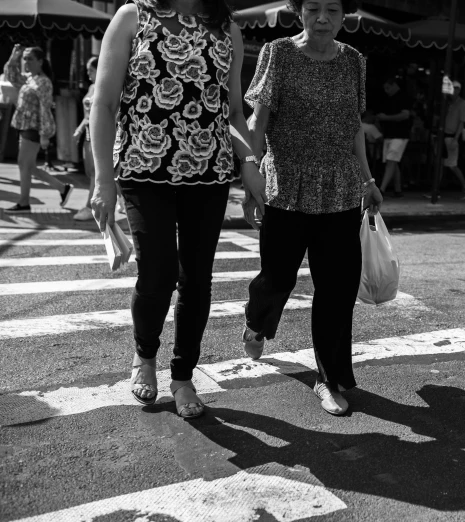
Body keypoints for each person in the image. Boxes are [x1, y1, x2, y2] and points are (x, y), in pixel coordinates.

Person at [89, 0, 263, 419]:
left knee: (197, 279)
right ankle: (144, 356)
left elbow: (234, 110)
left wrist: (251, 167)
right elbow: (105, 103)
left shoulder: (228, 30)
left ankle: (183, 374)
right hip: (143, 170)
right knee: (158, 272)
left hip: (211, 173)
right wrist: (102, 180)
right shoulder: (133, 16)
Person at [242, 0, 382, 416]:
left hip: (339, 190)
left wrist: (367, 180)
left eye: (332, 10)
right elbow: (257, 122)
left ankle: (329, 378)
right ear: (299, 11)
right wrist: (251, 184)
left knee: (337, 289)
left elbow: (353, 126)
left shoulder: (353, 61)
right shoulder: (278, 53)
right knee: (276, 279)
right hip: (286, 186)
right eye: (314, 9)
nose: (323, 19)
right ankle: (256, 322)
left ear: (345, 16)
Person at [3, 45, 73, 213]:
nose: (26, 62)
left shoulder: (43, 82)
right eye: (25, 59)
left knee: (24, 164)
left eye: (30, 59)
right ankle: (62, 189)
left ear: (40, 62)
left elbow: (45, 108)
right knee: (29, 166)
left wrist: (44, 135)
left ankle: (24, 202)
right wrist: (14, 57)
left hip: (33, 128)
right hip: (25, 125)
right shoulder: (29, 78)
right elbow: (11, 76)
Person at [72, 57, 98, 221]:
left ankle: (90, 207)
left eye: (91, 70)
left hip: (99, 134)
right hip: (88, 134)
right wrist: (80, 129)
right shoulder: (92, 87)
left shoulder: (106, 85)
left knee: (96, 172)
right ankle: (120, 199)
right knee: (90, 172)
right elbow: (87, 115)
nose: (88, 73)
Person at [377, 75, 411, 198]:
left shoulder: (403, 97)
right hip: (390, 133)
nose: (386, 90)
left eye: (388, 88)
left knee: (391, 160)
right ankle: (397, 189)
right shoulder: (389, 98)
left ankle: (382, 189)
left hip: (400, 134)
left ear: (394, 85)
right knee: (393, 161)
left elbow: (405, 115)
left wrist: (386, 118)